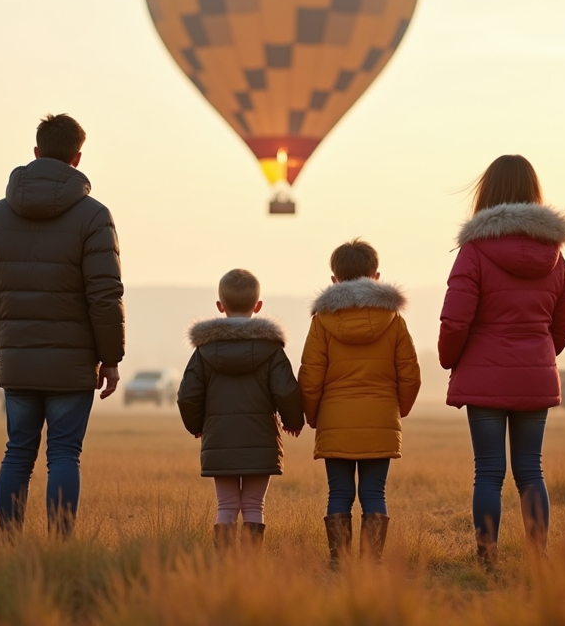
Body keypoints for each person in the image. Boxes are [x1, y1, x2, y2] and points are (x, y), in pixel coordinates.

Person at [0, 113, 124, 537]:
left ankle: (9, 543)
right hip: (72, 365)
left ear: (36, 152)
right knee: (64, 455)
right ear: (77, 158)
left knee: (17, 452)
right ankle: (59, 545)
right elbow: (105, 295)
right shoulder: (94, 216)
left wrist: (2, 344)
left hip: (18, 358)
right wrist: (110, 358)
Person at [438, 155, 565, 569]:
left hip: (484, 378)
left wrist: (452, 360)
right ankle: (539, 557)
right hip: (535, 377)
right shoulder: (554, 255)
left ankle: (487, 558)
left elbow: (455, 319)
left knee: (489, 473)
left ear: (487, 193)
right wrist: (540, 354)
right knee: (531, 471)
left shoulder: (474, 252)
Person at [299, 240, 421, 567]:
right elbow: (410, 374)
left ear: (334, 280)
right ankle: (371, 561)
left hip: (334, 420)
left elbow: (310, 376)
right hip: (381, 418)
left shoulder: (322, 321)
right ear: (376, 276)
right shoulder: (393, 320)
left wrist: (313, 416)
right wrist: (398, 410)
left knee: (338, 492)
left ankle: (339, 561)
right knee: (374, 492)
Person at [177, 269, 304, 551]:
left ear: (220, 307)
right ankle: (249, 566)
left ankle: (223, 563)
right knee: (254, 505)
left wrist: (197, 426)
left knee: (226, 505)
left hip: (219, 440)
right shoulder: (272, 349)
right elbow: (286, 390)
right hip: (260, 441)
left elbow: (187, 396)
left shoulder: (203, 351)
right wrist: (294, 421)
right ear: (257, 307)